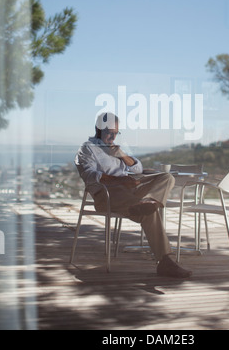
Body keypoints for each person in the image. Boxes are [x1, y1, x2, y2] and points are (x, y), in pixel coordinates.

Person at [75, 112, 192, 278]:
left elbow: (137, 168)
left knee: (167, 177)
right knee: (149, 212)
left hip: (131, 191)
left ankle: (148, 201)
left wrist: (121, 155)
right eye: (109, 132)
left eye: (116, 132)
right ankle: (165, 261)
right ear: (98, 129)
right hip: (107, 195)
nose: (112, 136)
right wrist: (121, 181)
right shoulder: (87, 149)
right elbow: (91, 177)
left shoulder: (117, 147)